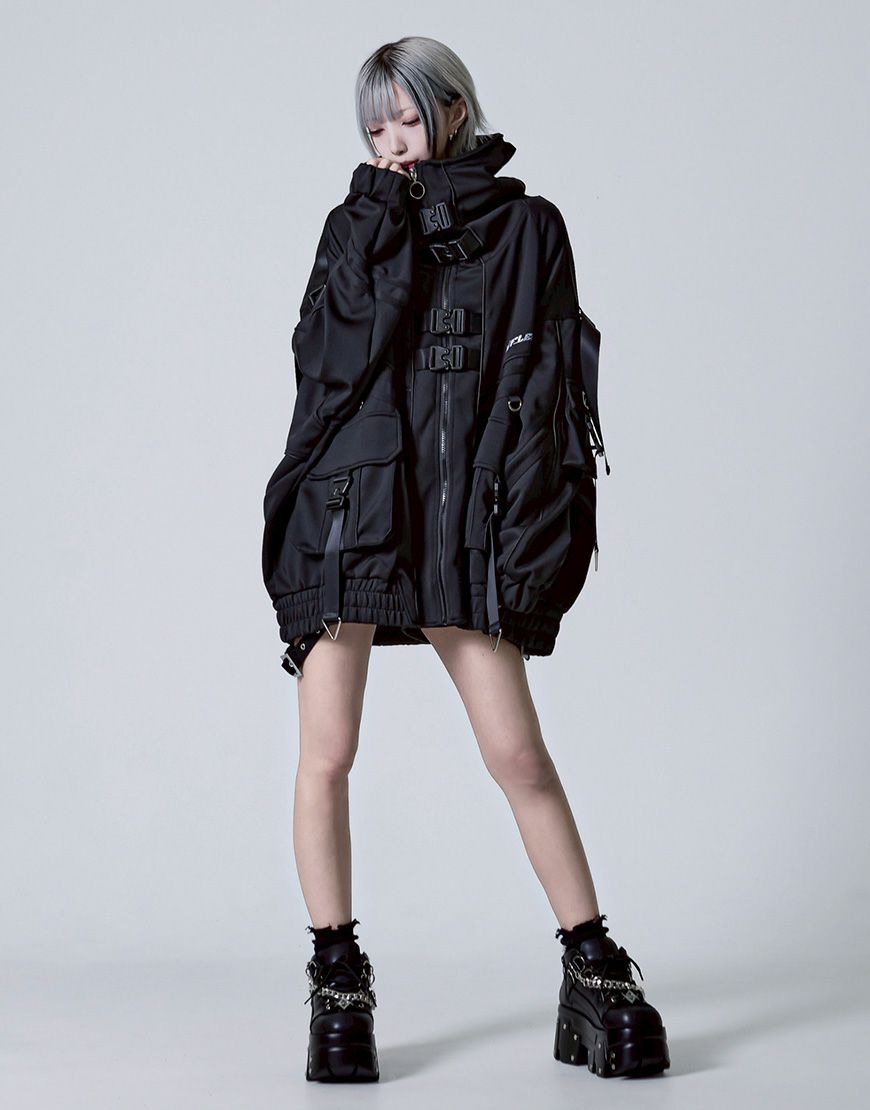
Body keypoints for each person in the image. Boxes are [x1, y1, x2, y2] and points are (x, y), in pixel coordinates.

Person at [261, 36, 670, 1083]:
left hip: (462, 521)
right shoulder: (354, 224)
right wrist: (377, 221)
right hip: (352, 509)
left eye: (407, 118)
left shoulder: (530, 229)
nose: (393, 142)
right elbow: (326, 366)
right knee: (327, 751)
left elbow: (550, 401)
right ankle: (338, 985)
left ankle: (593, 970)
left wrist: (524, 536)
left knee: (518, 755)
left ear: (451, 108)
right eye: (375, 128)